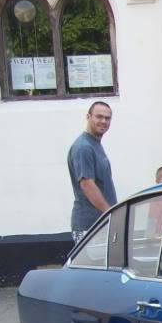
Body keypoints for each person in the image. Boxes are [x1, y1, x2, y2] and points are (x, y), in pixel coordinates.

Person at [67, 101, 117, 242]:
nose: (103, 121)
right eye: (99, 116)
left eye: (107, 118)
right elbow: (87, 185)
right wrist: (111, 213)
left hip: (101, 224)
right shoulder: (84, 147)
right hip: (90, 227)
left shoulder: (94, 144)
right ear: (88, 117)